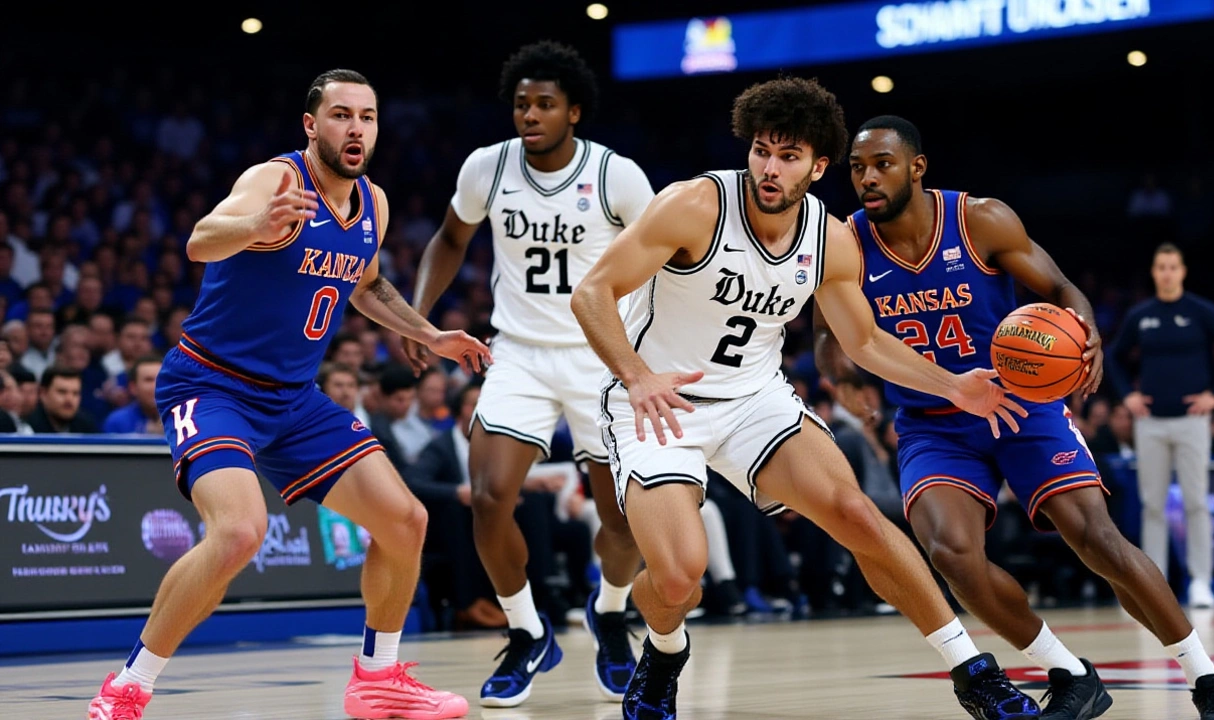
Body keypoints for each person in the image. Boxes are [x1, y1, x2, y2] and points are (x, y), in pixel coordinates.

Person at [572, 76, 1038, 720]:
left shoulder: (830, 238)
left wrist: (954, 384)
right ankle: (664, 650)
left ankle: (973, 672)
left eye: (789, 156)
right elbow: (592, 293)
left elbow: (866, 341)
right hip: (658, 401)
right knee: (681, 576)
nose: (769, 167)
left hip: (753, 399)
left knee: (857, 514)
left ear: (818, 167)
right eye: (762, 150)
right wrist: (635, 374)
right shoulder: (692, 205)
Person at [87, 69, 491, 720]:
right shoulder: (275, 181)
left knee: (406, 520)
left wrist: (429, 332)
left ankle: (377, 679)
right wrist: (254, 225)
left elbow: (363, 284)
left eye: (367, 116)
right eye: (340, 115)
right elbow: (200, 239)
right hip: (211, 383)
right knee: (241, 532)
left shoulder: (374, 203)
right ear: (311, 124)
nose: (355, 128)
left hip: (293, 399)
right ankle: (129, 684)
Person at [821, 115, 1214, 720]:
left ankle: (1207, 680)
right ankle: (1070, 672)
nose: (867, 177)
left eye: (882, 164)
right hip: (933, 421)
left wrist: (1089, 332)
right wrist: (841, 372)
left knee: (1097, 540)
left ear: (917, 167)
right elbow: (826, 332)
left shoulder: (981, 219)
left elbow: (1059, 287)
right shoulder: (845, 243)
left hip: (1021, 404)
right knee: (952, 554)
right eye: (858, 167)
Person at [405, 41, 653, 707]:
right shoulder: (489, 167)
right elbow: (452, 238)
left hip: (600, 355)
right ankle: (527, 631)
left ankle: (608, 612)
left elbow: (666, 255)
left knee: (623, 519)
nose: (530, 114)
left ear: (574, 110)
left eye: (545, 104)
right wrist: (420, 318)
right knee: (488, 497)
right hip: (517, 352)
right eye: (521, 104)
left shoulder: (616, 176)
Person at [1105, 243, 1214, 609]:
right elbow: (1114, 356)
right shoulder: (1141, 315)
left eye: (1172, 267)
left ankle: (1201, 582)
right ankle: (1156, 586)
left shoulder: (1201, 311)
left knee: (1195, 504)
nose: (1167, 273)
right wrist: (1128, 395)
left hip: (1192, 421)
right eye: (1161, 267)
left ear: (1182, 271)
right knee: (1152, 505)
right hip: (1150, 422)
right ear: (1154, 273)